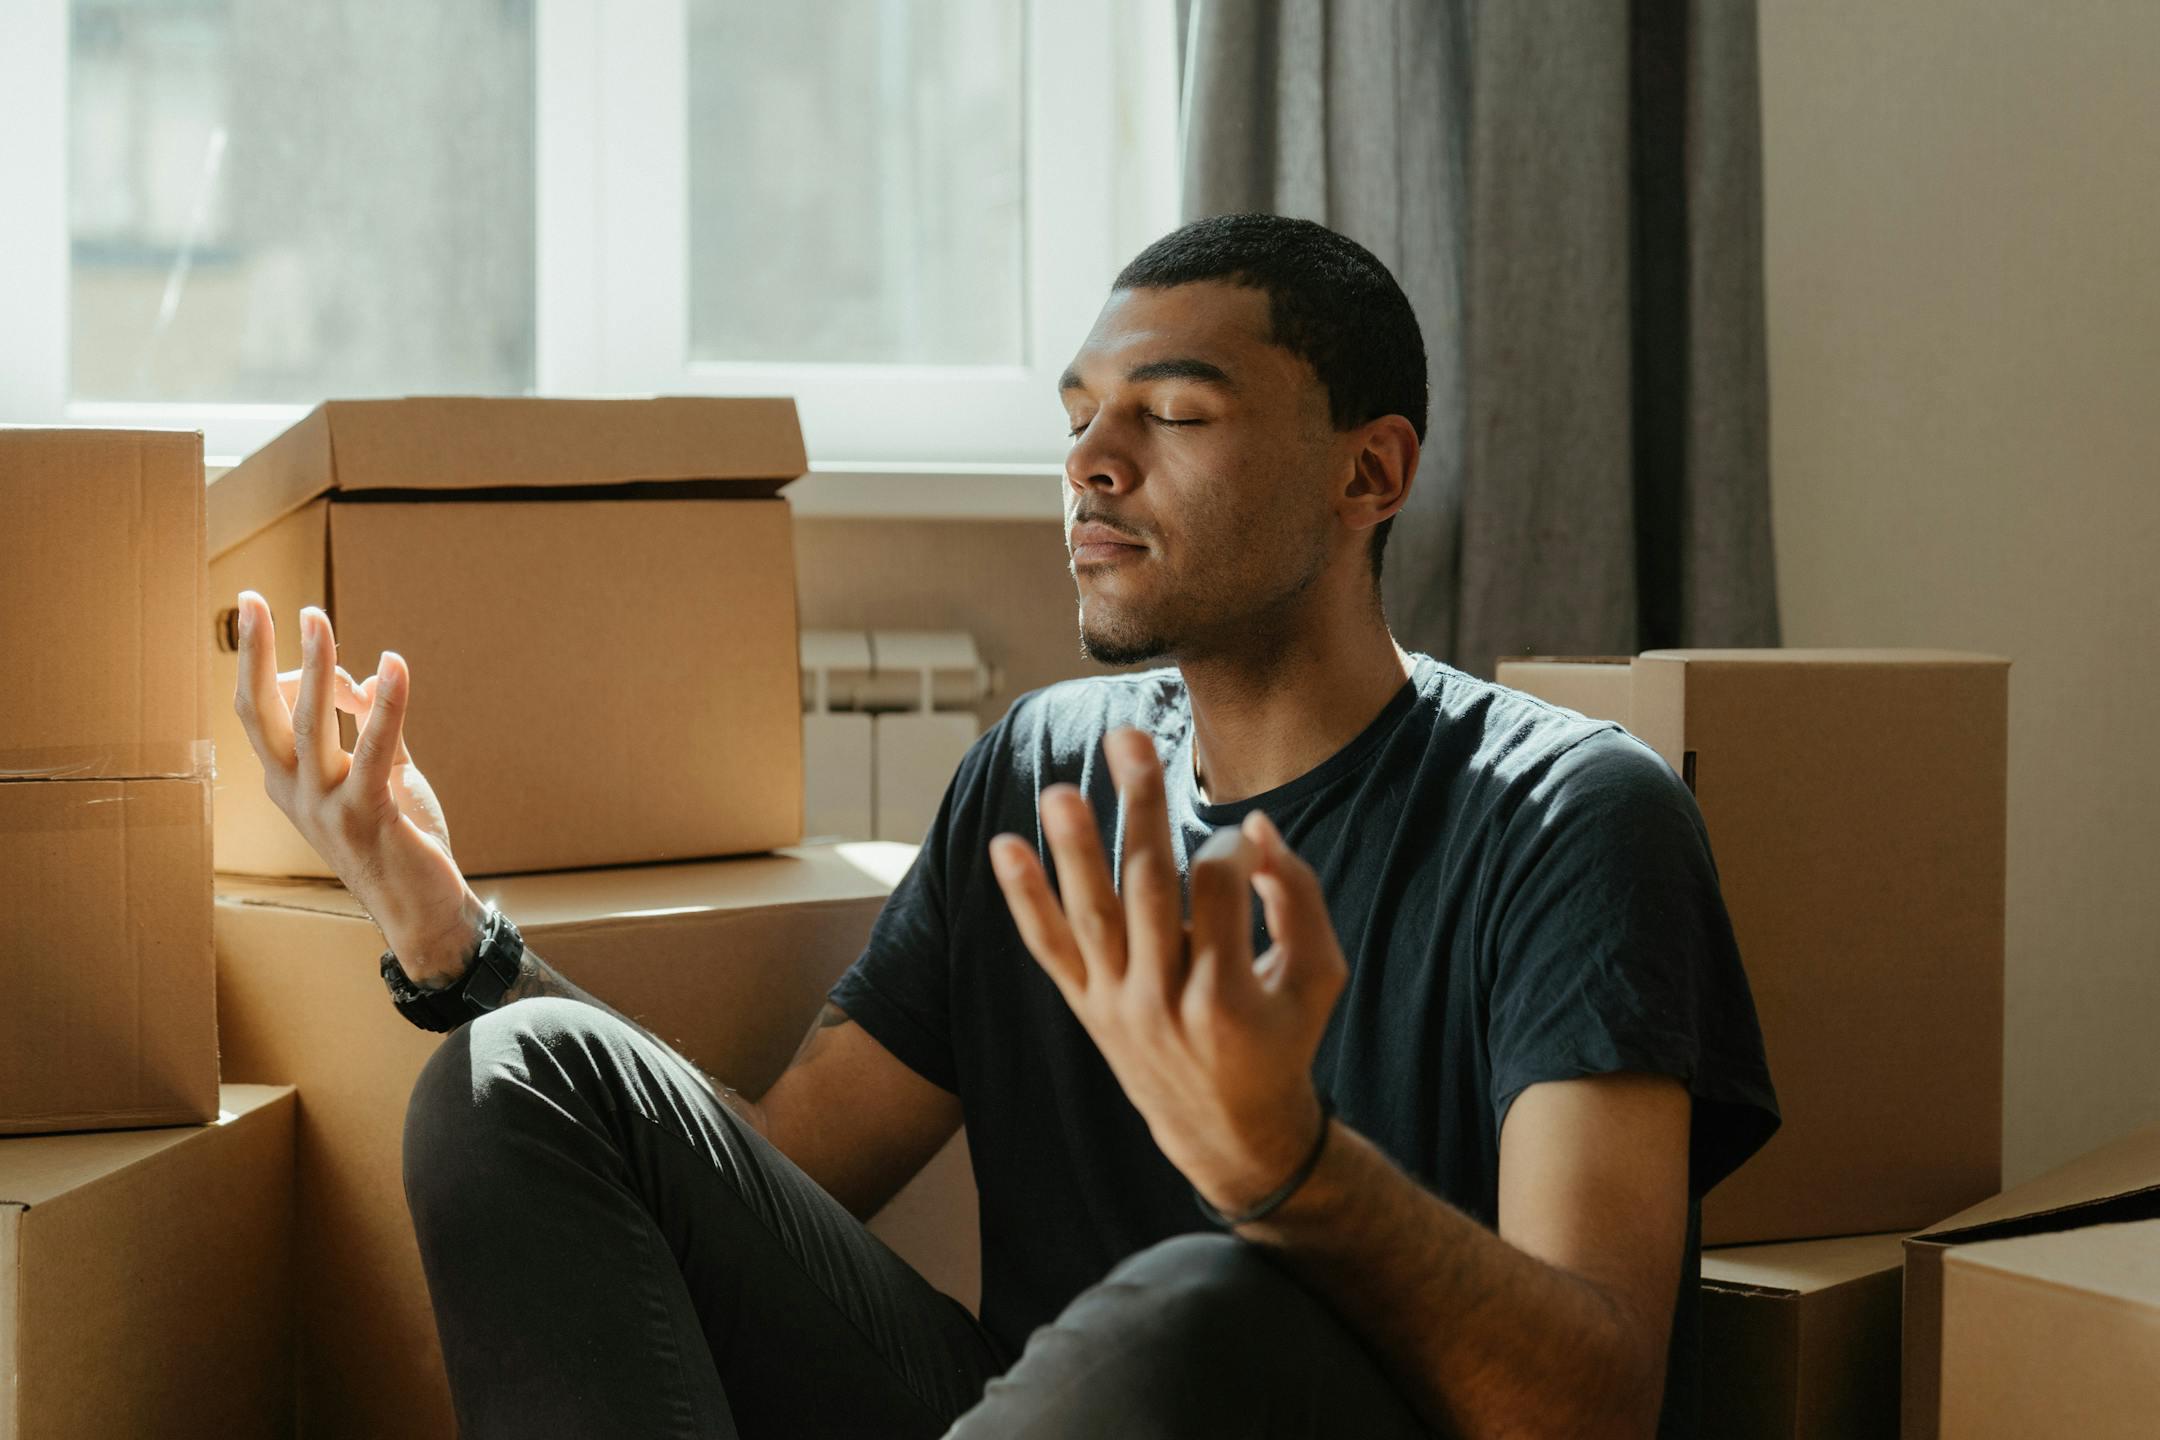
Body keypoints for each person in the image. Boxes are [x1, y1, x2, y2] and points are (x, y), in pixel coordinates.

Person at [230, 213, 1778, 1440]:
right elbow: (773, 1174)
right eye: (1080, 414)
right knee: (517, 1078)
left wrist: (1285, 1168)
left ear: (1367, 472)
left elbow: (1592, 1409)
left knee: (1209, 1308)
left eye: (1172, 413)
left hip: (1278, 1404)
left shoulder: (1569, 815)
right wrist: (443, 927)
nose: (1094, 462)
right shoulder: (1044, 773)